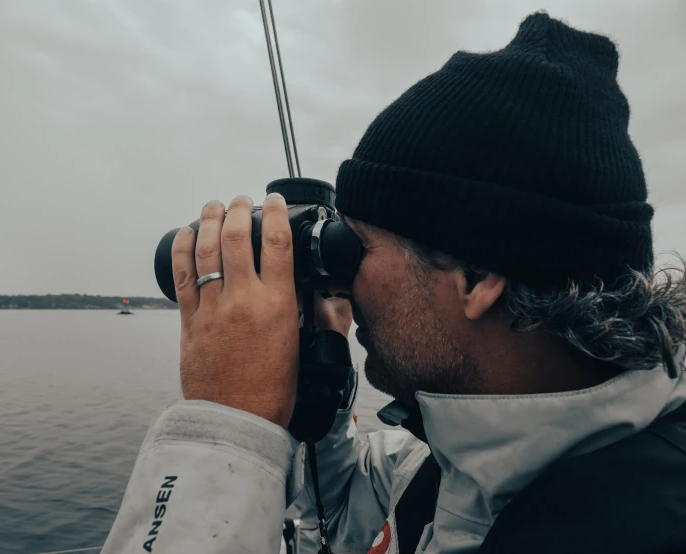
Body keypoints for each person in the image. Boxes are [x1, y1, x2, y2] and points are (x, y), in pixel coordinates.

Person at [101, 12, 686, 554]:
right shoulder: (475, 463)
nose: (344, 283)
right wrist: (318, 397)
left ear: (477, 277)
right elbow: (361, 501)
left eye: (354, 246)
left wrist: (222, 428)